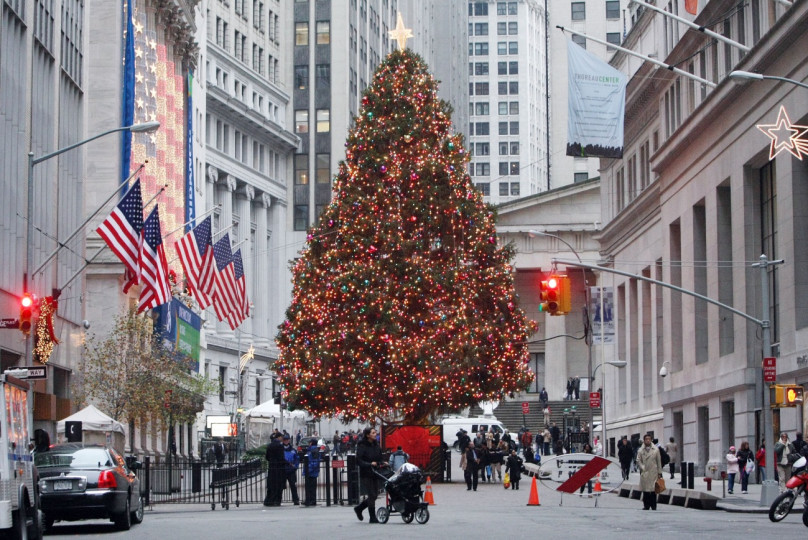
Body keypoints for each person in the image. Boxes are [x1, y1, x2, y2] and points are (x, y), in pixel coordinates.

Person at [354, 427, 385, 523]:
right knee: (371, 494)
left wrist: (382, 463)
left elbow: (379, 457)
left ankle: (359, 508)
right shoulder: (362, 445)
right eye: (373, 433)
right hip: (366, 472)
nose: (375, 434)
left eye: (375, 432)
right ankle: (372, 517)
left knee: (375, 495)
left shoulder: (376, 445)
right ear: (368, 435)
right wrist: (369, 464)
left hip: (375, 472)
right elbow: (358, 460)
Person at [637, 433, 663, 510]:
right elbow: (638, 460)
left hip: (653, 472)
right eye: (646, 439)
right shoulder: (641, 450)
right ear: (644, 440)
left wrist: (659, 472)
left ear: (651, 440)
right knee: (645, 490)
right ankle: (646, 505)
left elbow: (659, 461)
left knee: (653, 490)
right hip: (645, 472)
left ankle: (653, 505)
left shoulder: (656, 449)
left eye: (649, 439)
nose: (648, 440)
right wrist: (642, 467)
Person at [264, 433, 285, 506]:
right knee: (278, 484)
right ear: (278, 437)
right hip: (278, 467)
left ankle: (269, 500)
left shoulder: (269, 446)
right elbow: (281, 457)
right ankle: (277, 500)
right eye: (281, 437)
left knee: (271, 484)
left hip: (272, 466)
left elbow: (267, 457)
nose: (282, 438)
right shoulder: (280, 446)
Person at [282, 434, 300, 505]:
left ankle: (296, 500)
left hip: (291, 470)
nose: (286, 441)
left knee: (293, 485)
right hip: (283, 469)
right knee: (281, 486)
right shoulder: (281, 449)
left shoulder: (293, 450)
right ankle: (278, 500)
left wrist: (295, 466)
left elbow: (297, 459)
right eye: (285, 440)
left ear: (289, 440)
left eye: (287, 440)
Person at [303, 438, 320, 506]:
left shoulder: (314, 450)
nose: (309, 443)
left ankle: (312, 500)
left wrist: (309, 469)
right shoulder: (311, 450)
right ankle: (309, 499)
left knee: (311, 487)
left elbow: (315, 461)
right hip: (310, 471)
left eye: (310, 442)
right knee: (309, 487)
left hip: (312, 472)